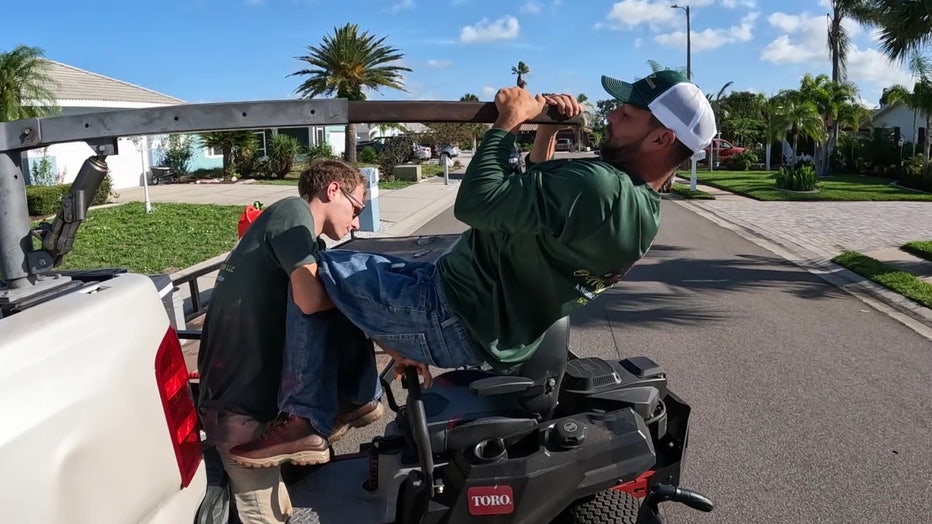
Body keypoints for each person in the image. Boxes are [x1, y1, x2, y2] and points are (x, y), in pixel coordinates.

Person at [228, 69, 717, 467]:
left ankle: (302, 422)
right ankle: (358, 399)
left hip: (445, 312)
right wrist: (545, 128)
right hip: (470, 311)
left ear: (661, 136)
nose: (611, 117)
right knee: (359, 261)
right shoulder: (639, 209)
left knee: (318, 276)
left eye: (626, 114)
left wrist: (507, 122)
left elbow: (479, 202)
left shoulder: (599, 186)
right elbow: (528, 202)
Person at [196, 159, 383, 524]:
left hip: (256, 391)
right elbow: (311, 299)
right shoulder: (291, 213)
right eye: (357, 207)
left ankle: (348, 399)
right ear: (332, 190)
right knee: (264, 512)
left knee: (278, 505)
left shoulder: (301, 236)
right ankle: (351, 399)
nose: (357, 220)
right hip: (239, 400)